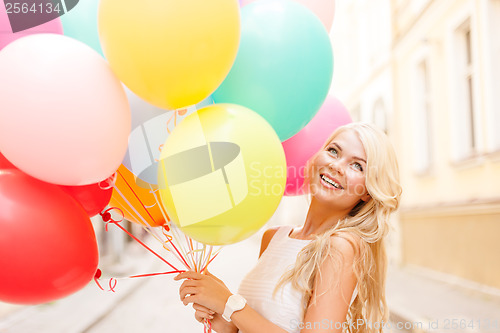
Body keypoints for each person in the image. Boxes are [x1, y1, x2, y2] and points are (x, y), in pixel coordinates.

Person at [175, 122, 402, 333]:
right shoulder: (274, 237)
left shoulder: (340, 247)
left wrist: (229, 302)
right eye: (333, 151)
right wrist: (222, 315)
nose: (337, 166)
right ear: (316, 158)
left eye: (357, 166)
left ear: (366, 192)